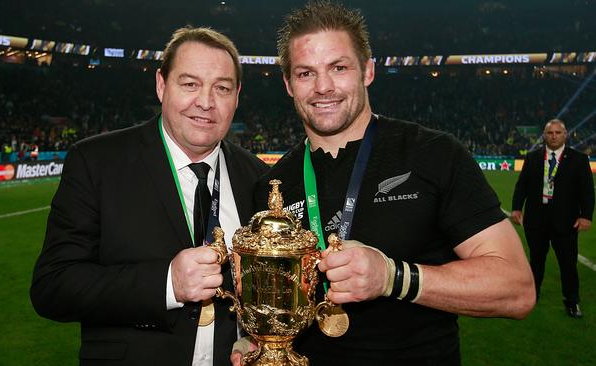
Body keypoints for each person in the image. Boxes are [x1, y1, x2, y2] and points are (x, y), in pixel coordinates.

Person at [234, 2, 536, 365]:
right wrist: (252, 342)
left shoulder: (433, 154)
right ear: (288, 84)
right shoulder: (272, 187)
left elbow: (516, 288)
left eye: (338, 67)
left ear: (367, 71)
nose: (323, 87)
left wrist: (392, 277)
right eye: (305, 73)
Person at [31, 26, 268, 366]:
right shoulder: (97, 162)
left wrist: (252, 336)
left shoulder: (257, 177)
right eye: (190, 84)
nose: (205, 101)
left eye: (222, 88)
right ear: (161, 85)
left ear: (237, 95)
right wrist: (166, 283)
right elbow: (52, 286)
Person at [512, 119, 594, 318]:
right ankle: (532, 297)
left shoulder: (579, 159)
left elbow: (587, 192)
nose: (554, 136)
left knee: (568, 264)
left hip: (566, 221)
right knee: (536, 262)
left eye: (558, 132)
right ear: (544, 135)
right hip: (536, 220)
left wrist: (586, 216)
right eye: (550, 133)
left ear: (565, 135)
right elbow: (521, 185)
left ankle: (572, 302)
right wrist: (516, 208)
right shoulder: (532, 158)